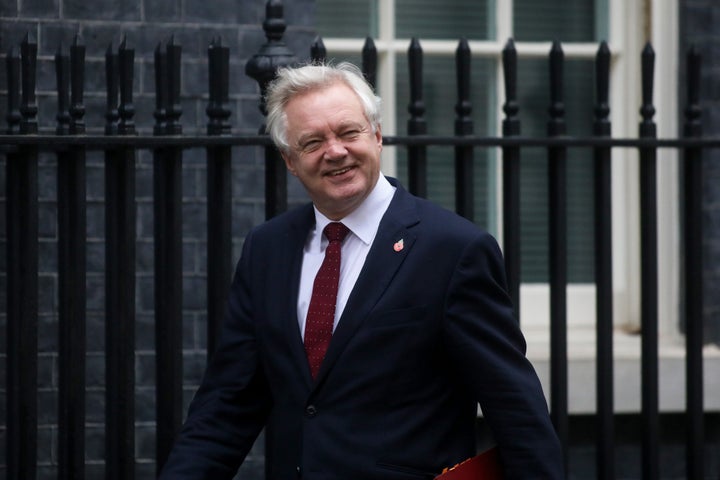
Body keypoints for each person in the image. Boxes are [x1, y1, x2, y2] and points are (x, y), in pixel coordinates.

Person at [159, 62, 563, 479]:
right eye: (312, 141)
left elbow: (515, 409)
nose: (335, 151)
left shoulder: (454, 250)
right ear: (290, 161)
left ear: (377, 135)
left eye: (348, 132)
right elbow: (227, 404)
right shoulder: (267, 249)